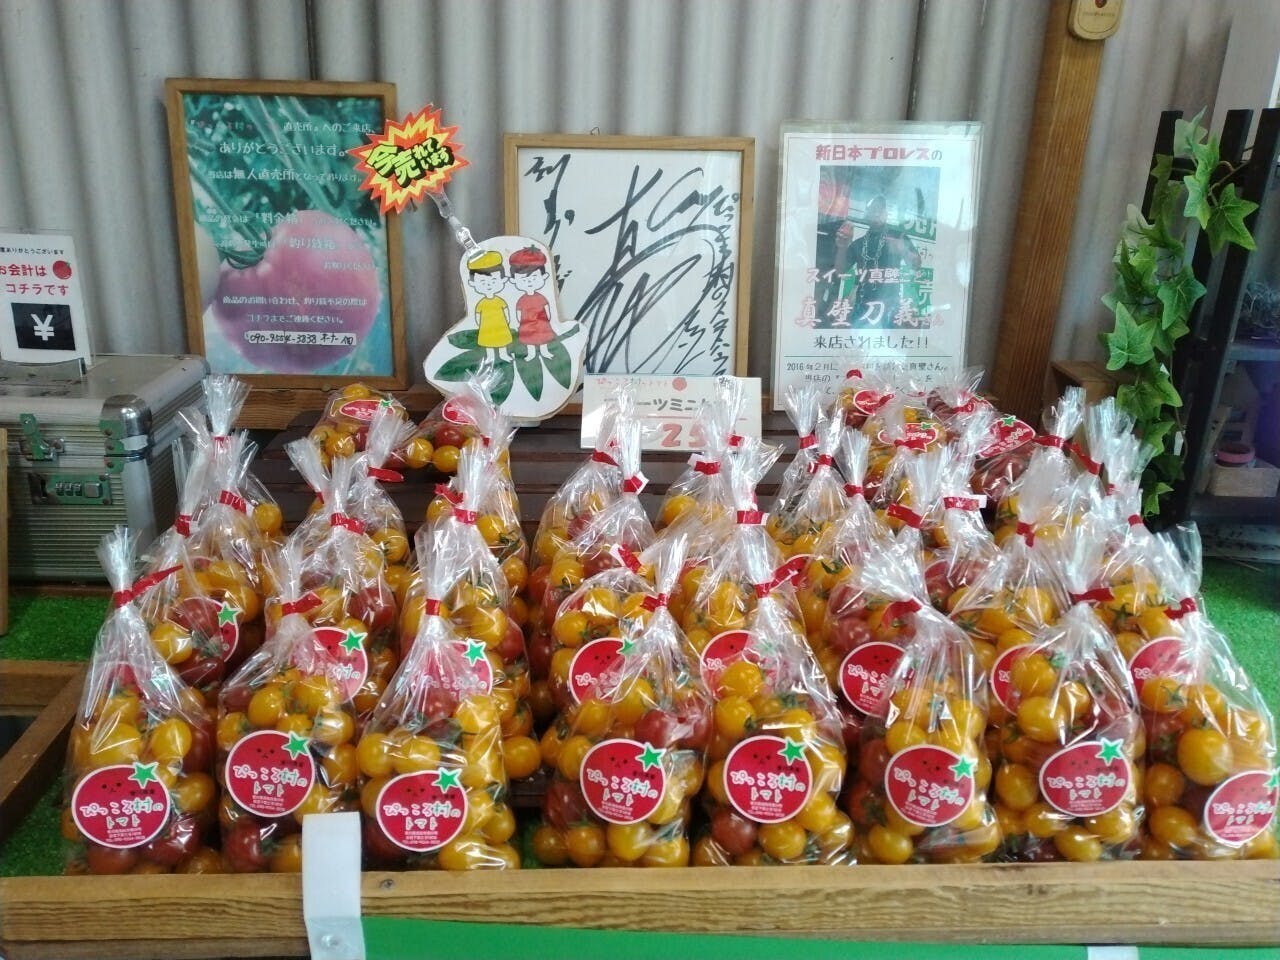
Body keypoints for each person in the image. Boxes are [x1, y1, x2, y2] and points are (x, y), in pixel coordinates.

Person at [835, 195, 921, 329]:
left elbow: (916, 265)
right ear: (867, 215)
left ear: (886, 214)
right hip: (862, 306)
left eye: (880, 210)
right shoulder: (858, 243)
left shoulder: (898, 237)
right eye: (873, 210)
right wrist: (842, 248)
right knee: (857, 342)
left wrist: (905, 250)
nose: (876, 213)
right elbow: (840, 271)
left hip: (891, 308)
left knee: (890, 341)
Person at [508, 245, 555, 359]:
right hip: (527, 323)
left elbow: (547, 308)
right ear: (514, 280)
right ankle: (531, 353)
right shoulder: (522, 299)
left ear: (544, 276)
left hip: (541, 322)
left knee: (543, 337)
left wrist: (548, 319)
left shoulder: (541, 297)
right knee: (529, 338)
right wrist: (520, 322)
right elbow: (518, 312)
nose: (529, 282)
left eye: (534, 278)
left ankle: (544, 351)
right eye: (523, 279)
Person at [467, 249, 514, 357]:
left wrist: (507, 321)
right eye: (483, 282)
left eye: (493, 281)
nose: (488, 285)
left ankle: (503, 355)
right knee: (488, 342)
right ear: (472, 283)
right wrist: (479, 324)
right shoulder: (481, 303)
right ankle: (490, 357)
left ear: (503, 280)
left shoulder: (500, 300)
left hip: (501, 325)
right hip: (486, 326)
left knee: (502, 339)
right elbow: (478, 315)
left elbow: (505, 310)